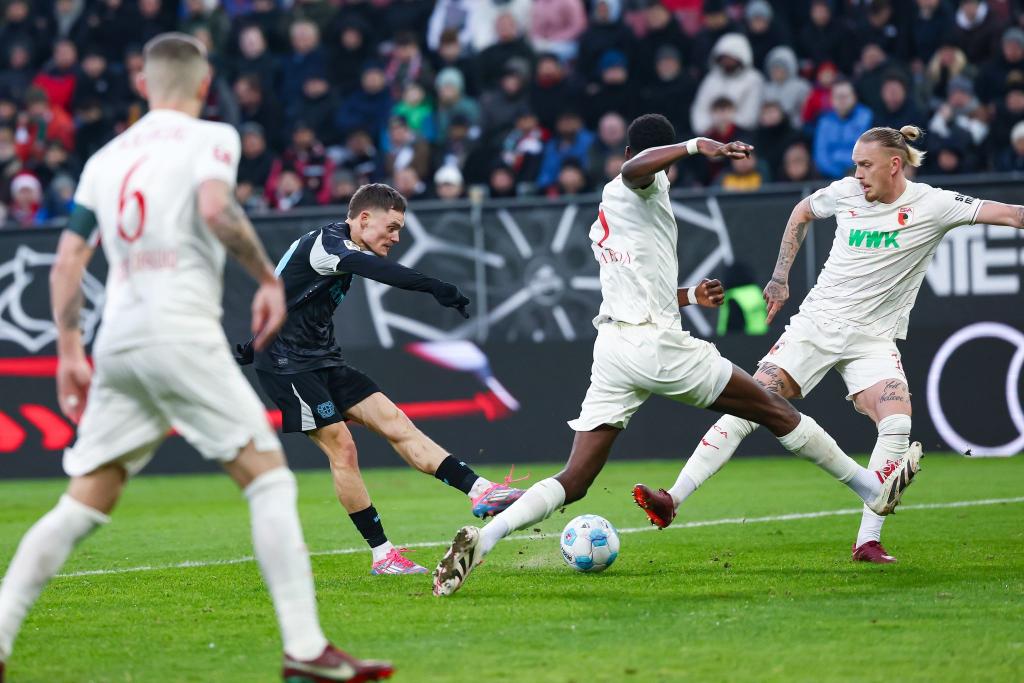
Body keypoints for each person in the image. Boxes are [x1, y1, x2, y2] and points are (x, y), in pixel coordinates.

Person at [0, 34, 392, 682]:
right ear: (204, 85)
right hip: (178, 329)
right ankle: (304, 647)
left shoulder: (104, 157)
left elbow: (69, 258)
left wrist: (68, 348)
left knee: (85, 500)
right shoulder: (212, 138)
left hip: (117, 341)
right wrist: (268, 278)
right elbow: (216, 208)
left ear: (144, 84)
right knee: (269, 478)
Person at [432, 114, 921, 597]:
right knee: (775, 409)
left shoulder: (620, 207)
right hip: (655, 345)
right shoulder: (634, 185)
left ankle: (486, 538)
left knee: (576, 477)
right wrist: (693, 146)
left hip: (615, 350)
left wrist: (688, 297)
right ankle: (870, 490)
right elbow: (635, 171)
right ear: (649, 160)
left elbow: (638, 279)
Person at [636, 125, 1024, 564]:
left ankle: (868, 541)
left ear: (894, 165)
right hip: (816, 326)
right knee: (750, 403)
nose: (857, 174)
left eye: (865, 165)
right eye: (855, 165)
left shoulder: (934, 204)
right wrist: (780, 278)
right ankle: (673, 499)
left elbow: (1012, 214)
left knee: (897, 424)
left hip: (873, 338)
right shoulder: (845, 193)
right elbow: (801, 212)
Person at [234, 183, 524, 575]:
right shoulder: (328, 243)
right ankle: (383, 554)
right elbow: (376, 270)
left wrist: (253, 342)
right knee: (344, 448)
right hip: (287, 366)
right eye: (392, 227)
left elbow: (288, 291)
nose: (396, 237)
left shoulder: (340, 247)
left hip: (321, 357)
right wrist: (435, 287)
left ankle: (481, 491)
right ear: (364, 218)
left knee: (396, 422)